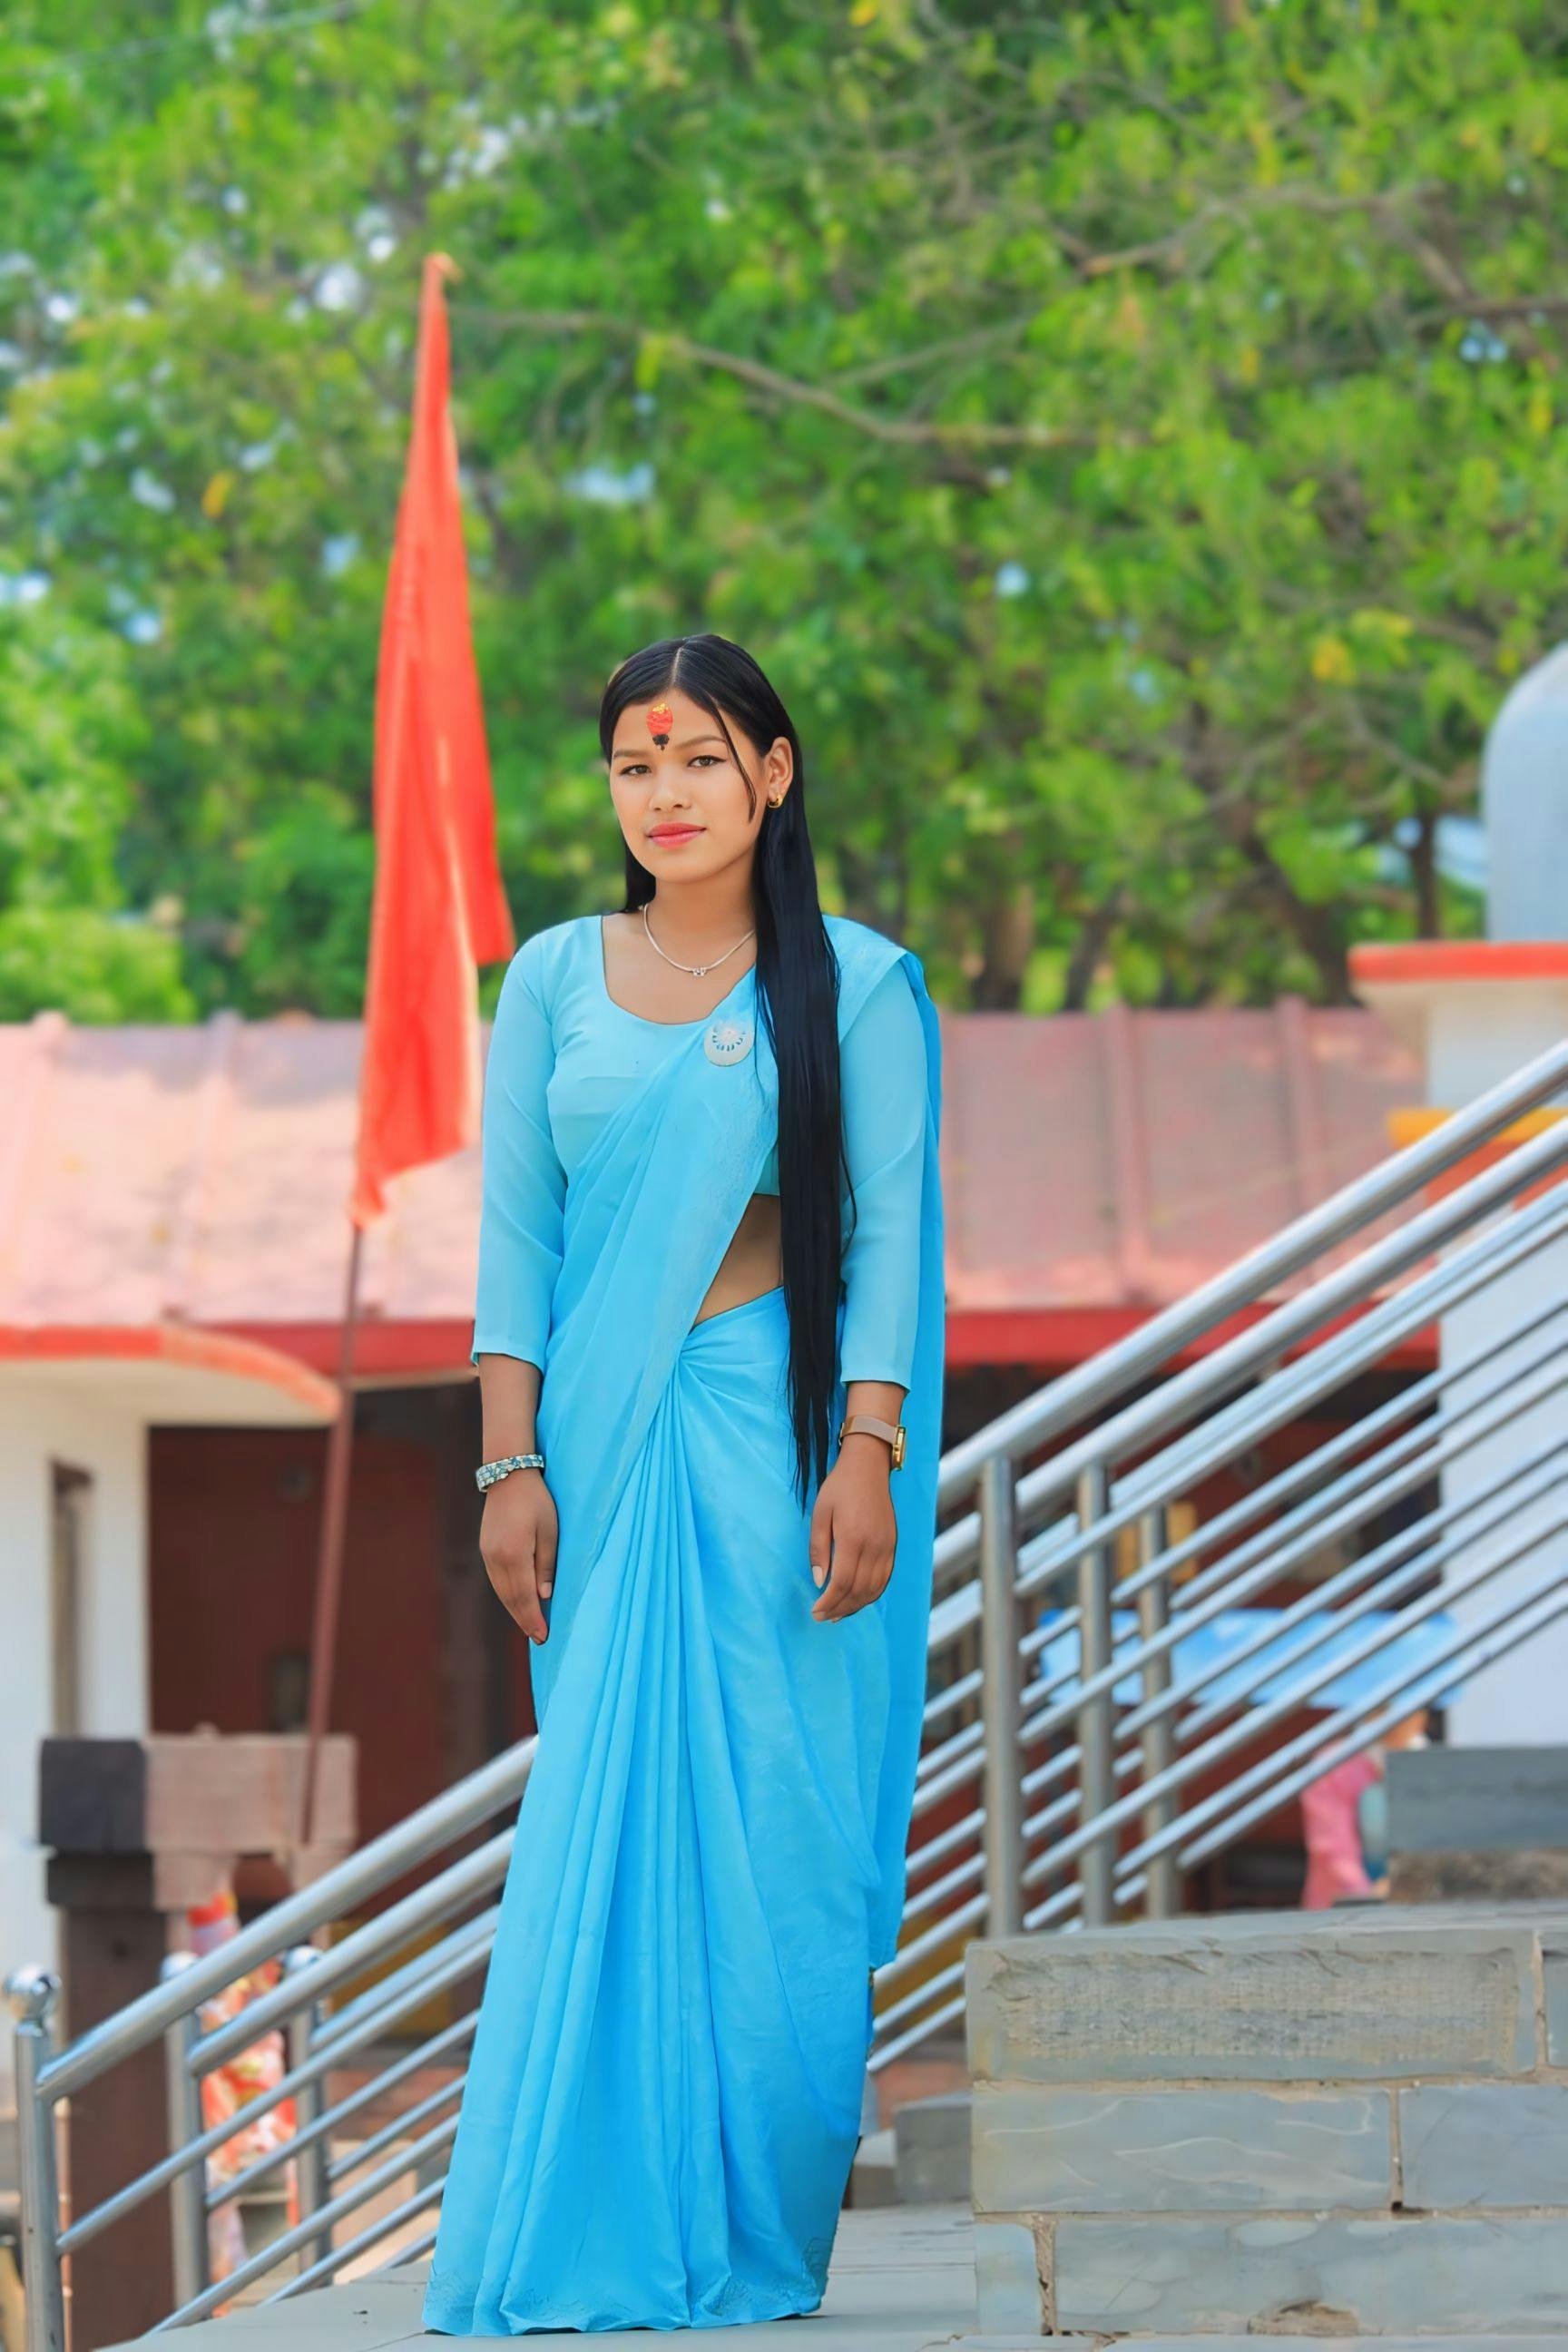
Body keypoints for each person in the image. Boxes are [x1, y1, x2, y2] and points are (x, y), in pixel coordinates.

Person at [421, 632, 945, 2334]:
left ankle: (750, 2232)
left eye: (699, 759)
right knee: (604, 1830)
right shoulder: (553, 977)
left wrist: (864, 1446)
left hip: (774, 1447)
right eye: (635, 764)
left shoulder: (854, 985)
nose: (664, 793)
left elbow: (881, 1244)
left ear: (771, 776)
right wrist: (507, 1459)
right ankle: (575, 2230)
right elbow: (517, 1244)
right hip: (597, 1446)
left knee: (777, 1843)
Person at [1299, 1708, 1430, 1907]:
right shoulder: (1333, 1763)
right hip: (1340, 1909)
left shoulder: (1427, 1764)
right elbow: (1332, 1848)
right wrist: (1368, 1894)